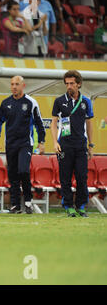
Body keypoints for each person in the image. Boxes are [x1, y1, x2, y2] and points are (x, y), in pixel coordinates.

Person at [0, 76, 46, 214]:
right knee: (13, 175)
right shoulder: (6, 103)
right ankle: (15, 205)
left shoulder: (31, 102)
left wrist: (41, 142)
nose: (14, 87)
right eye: (12, 84)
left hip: (25, 143)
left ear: (23, 85)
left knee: (23, 170)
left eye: (17, 84)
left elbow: (39, 123)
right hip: (10, 144)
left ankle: (28, 200)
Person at [50, 70, 94, 217]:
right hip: (64, 145)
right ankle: (68, 206)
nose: (69, 86)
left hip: (81, 145)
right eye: (67, 83)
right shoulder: (59, 101)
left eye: (72, 83)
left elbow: (89, 124)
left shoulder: (86, 102)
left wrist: (91, 145)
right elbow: (54, 123)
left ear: (79, 84)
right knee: (65, 177)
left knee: (82, 177)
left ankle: (81, 206)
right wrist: (55, 142)